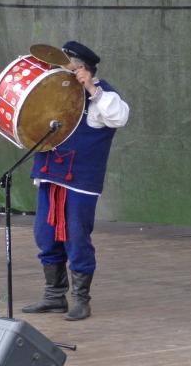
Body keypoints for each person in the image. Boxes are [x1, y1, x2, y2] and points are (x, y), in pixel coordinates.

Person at [22, 41, 130, 321]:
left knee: (77, 239)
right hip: (49, 177)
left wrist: (92, 89)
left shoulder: (102, 95)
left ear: (80, 68)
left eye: (64, 64)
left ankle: (81, 300)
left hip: (79, 182)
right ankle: (53, 296)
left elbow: (120, 117)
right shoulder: (57, 95)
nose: (58, 69)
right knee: (44, 236)